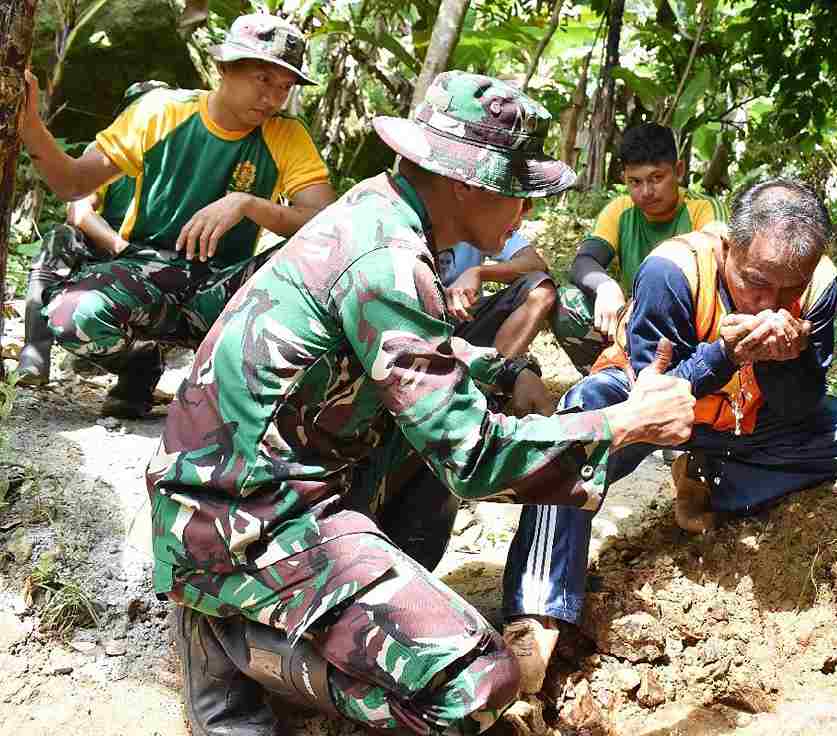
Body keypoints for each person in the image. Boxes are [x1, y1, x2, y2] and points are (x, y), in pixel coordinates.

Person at [146, 71, 696, 736]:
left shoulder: (383, 212)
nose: (525, 214)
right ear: (467, 183)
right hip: (243, 517)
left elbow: (421, 362)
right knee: (478, 685)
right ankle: (234, 642)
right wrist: (622, 422)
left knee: (457, 423)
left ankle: (328, 622)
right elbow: (472, 455)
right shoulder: (389, 259)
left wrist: (503, 369)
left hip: (275, 478)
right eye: (516, 193)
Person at [501, 179, 837, 694]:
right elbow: (653, 391)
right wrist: (725, 354)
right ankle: (536, 613)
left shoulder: (821, 286)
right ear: (729, 248)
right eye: (755, 284)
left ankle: (710, 478)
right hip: (649, 402)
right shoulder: (673, 270)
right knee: (579, 417)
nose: (772, 304)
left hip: (745, 417)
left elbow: (799, 405)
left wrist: (784, 360)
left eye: (789, 291)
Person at [16, 13, 336, 417]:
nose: (273, 99)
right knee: (73, 316)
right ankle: (140, 360)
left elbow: (325, 220)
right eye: (262, 79)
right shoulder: (161, 112)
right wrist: (28, 124)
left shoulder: (286, 133)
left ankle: (256, 392)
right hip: (143, 270)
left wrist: (248, 203)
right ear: (223, 68)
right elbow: (73, 184)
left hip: (222, 288)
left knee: (317, 257)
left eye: (285, 87)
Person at [16, 81, 169, 387]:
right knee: (59, 238)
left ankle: (140, 368)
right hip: (107, 250)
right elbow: (80, 211)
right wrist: (118, 245)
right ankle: (36, 350)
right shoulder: (106, 154)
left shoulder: (181, 158)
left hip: (158, 264)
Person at [552, 122, 727, 375]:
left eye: (657, 178)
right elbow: (584, 261)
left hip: (691, 326)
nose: (646, 192)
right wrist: (606, 286)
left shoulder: (705, 210)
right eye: (635, 181)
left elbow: (720, 268)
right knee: (567, 302)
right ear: (624, 178)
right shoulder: (620, 210)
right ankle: (611, 378)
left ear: (678, 171)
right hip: (633, 323)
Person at [440, 232, 558, 415]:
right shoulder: (400, 223)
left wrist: (479, 272)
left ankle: (495, 381)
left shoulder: (474, 214)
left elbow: (534, 262)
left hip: (465, 321)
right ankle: (507, 377)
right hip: (411, 332)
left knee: (540, 288)